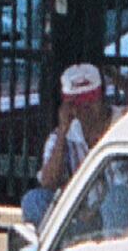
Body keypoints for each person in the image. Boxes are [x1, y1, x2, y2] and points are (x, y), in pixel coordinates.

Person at [26, 61, 117, 238]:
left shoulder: (125, 123)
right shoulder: (64, 134)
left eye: (90, 101)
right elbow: (48, 182)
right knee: (34, 200)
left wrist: (101, 204)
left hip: (119, 217)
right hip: (83, 218)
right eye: (76, 103)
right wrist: (62, 131)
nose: (85, 109)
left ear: (102, 97)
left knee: (117, 201)